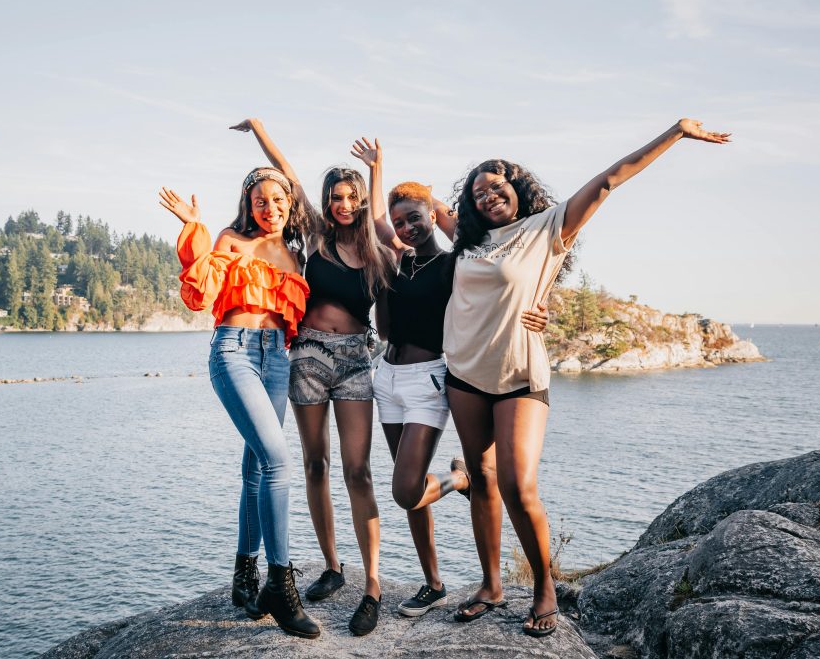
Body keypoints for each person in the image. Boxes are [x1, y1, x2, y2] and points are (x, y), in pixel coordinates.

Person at [444, 119, 730, 637]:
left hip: (518, 371)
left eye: (497, 186)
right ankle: (490, 585)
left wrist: (676, 133)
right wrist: (380, 172)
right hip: (463, 372)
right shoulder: (468, 239)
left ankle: (543, 588)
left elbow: (608, 180)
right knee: (482, 480)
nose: (488, 196)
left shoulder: (548, 227)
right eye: (478, 191)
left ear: (518, 189)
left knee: (517, 484)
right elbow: (411, 201)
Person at [350, 138, 548, 618]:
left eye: (415, 218)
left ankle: (461, 479)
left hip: (431, 378)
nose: (406, 227)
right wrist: (378, 169)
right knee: (408, 492)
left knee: (404, 489)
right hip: (387, 377)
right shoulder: (398, 258)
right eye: (400, 223)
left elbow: (508, 275)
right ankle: (432, 582)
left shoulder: (455, 262)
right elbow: (380, 220)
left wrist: (539, 308)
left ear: (432, 216)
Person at [232, 118, 396, 636]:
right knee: (314, 464)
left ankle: (372, 586)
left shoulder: (374, 252)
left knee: (359, 472)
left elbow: (396, 246)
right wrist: (259, 128)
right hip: (304, 355)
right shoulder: (319, 237)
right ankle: (332, 566)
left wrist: (378, 170)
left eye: (351, 197)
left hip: (353, 360)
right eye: (335, 198)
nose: (343, 204)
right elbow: (287, 175)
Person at [157, 158, 320, 639]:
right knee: (278, 462)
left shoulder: (295, 253)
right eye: (260, 200)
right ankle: (280, 584)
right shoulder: (230, 240)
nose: (270, 207)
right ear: (248, 204)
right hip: (234, 351)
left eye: (279, 199)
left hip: (277, 360)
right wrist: (193, 228)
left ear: (290, 205)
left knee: (256, 469)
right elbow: (199, 289)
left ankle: (243, 578)